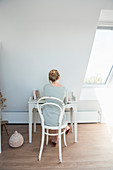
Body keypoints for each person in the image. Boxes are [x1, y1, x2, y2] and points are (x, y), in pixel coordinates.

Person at [43, 69, 72, 145]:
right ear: (59, 77)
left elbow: (46, 98)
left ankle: (58, 138)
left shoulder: (45, 87)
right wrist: (66, 98)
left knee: (55, 113)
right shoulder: (64, 89)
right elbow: (65, 103)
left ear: (49, 78)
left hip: (46, 119)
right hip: (58, 119)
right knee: (59, 115)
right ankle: (66, 127)